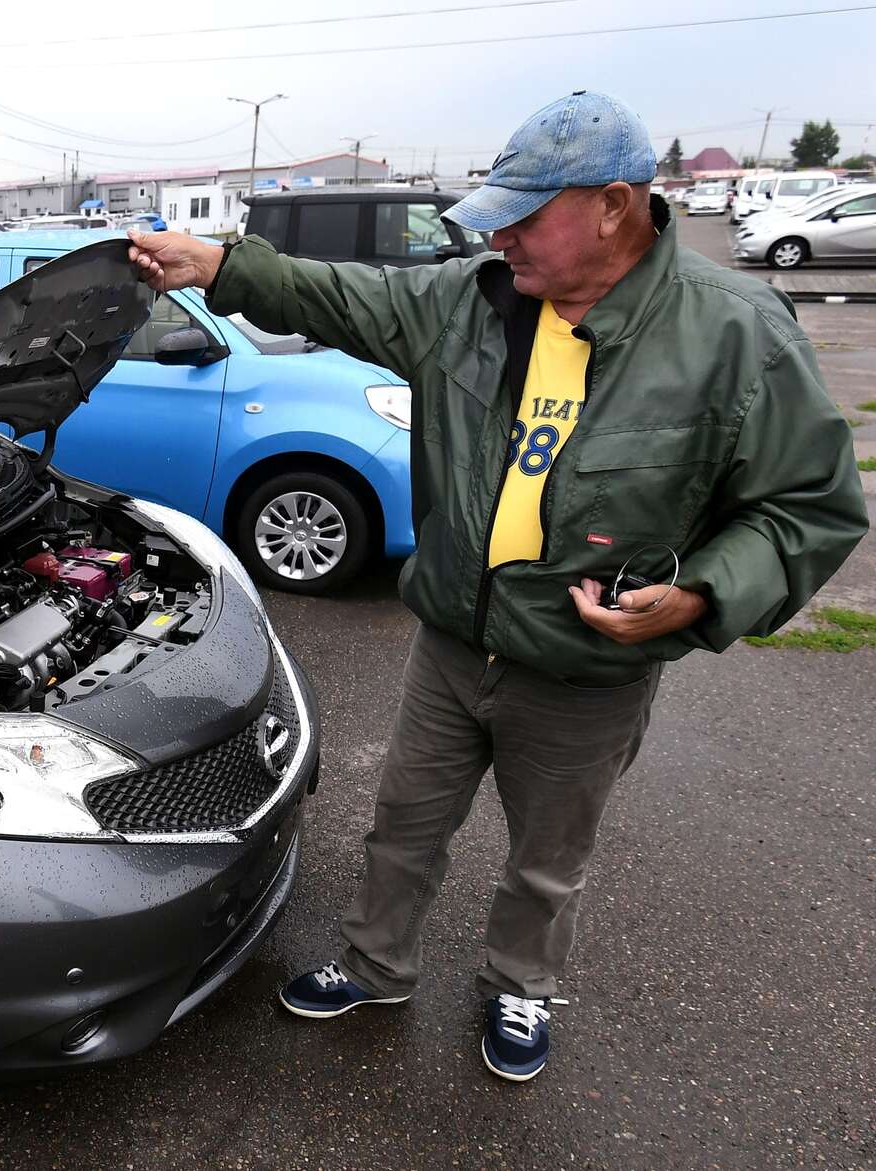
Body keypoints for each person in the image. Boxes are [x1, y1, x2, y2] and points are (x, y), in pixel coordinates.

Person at [127, 91, 866, 1082]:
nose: (500, 236)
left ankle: (518, 984)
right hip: (448, 644)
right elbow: (337, 294)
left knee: (543, 860)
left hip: (582, 672)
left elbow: (804, 510)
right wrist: (217, 264)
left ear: (612, 205)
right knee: (401, 827)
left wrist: (695, 595)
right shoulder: (469, 301)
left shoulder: (732, 333)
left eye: (524, 215)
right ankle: (374, 965)